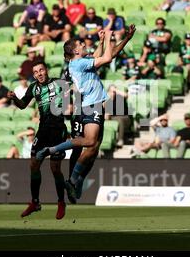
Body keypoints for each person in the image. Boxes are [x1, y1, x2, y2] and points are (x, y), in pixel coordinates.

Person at [37, 26, 136, 204]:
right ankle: (56, 156)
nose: (84, 45)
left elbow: (105, 55)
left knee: (93, 148)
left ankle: (76, 181)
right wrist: (107, 38)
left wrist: (124, 39)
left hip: (92, 105)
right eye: (81, 44)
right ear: (75, 50)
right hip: (90, 106)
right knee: (89, 142)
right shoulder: (79, 63)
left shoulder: (80, 62)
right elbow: (107, 57)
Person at [7, 62, 69, 220]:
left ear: (46, 70)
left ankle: (61, 202)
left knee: (55, 168)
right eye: (36, 72)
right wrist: (14, 98)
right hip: (43, 131)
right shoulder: (33, 88)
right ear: (34, 75)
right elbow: (22, 106)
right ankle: (35, 202)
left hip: (58, 131)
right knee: (34, 164)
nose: (39, 73)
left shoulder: (59, 83)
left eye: (41, 70)